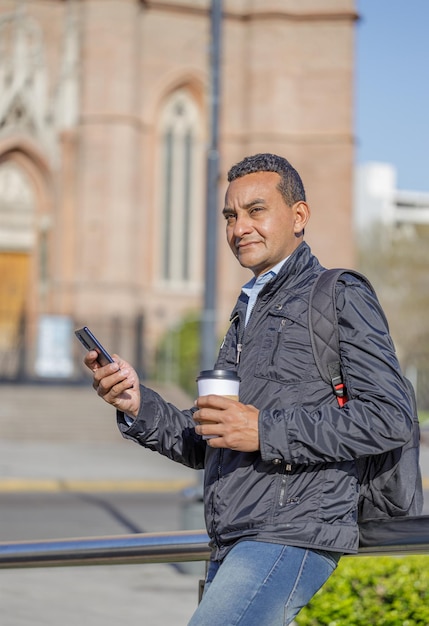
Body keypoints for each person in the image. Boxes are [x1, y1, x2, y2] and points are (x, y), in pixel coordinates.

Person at [84, 153, 414, 625]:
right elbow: (213, 440)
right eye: (230, 216)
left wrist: (265, 430)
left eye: (256, 211)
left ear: (298, 217)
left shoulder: (338, 294)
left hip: (293, 533)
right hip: (232, 535)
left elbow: (391, 417)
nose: (240, 228)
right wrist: (138, 404)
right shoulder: (246, 313)